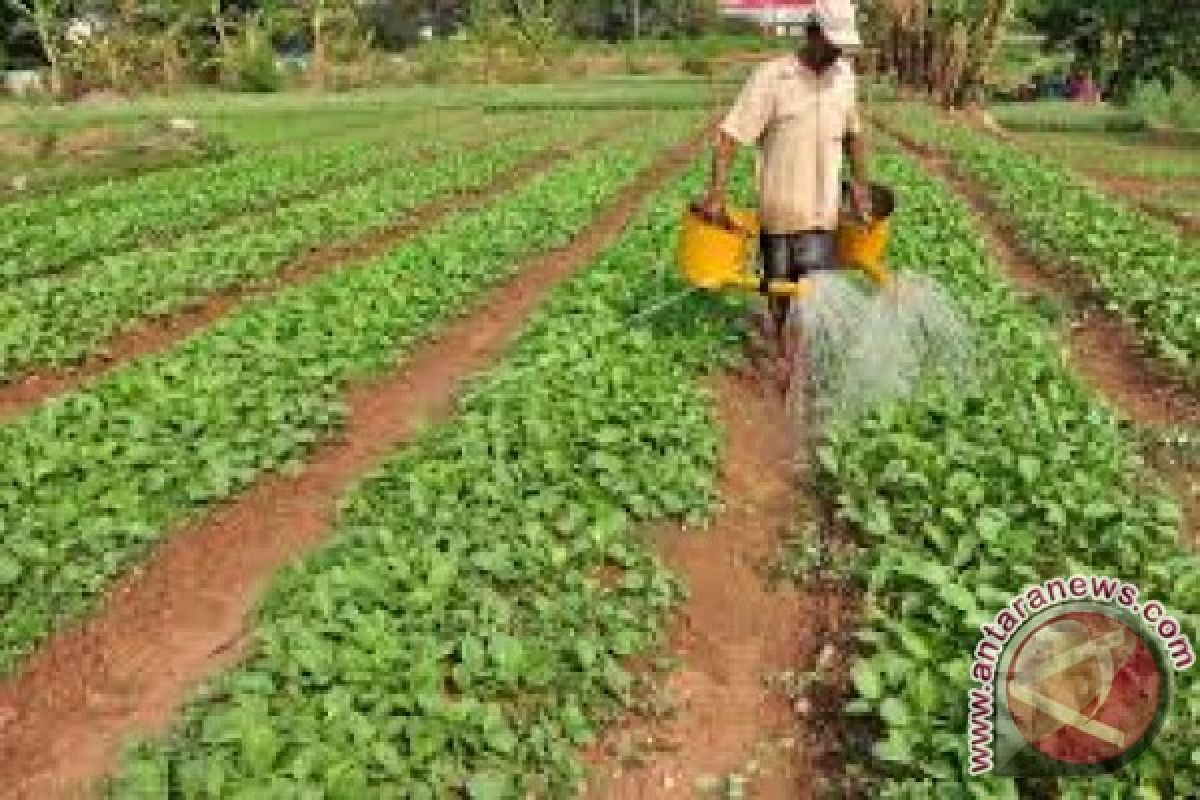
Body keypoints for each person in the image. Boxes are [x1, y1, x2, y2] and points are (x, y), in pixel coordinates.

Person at [700, 0, 870, 355]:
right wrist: (715, 194)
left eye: (842, 45)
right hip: (778, 216)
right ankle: (779, 361)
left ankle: (805, 371)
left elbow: (854, 135)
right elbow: (730, 138)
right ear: (812, 32)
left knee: (814, 307)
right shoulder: (773, 77)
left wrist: (860, 186)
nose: (837, 52)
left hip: (822, 216)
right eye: (832, 43)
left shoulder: (845, 77)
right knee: (779, 300)